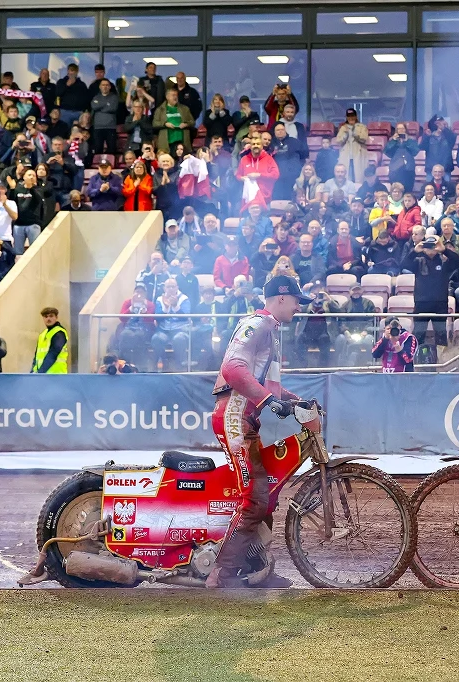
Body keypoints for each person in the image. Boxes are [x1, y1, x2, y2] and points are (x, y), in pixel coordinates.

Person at [206, 274, 306, 588]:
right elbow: (232, 368)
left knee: (267, 494)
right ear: (281, 297)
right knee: (254, 497)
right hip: (235, 417)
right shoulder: (257, 325)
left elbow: (266, 387)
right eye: (297, 301)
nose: (299, 307)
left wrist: (292, 400)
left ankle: (257, 570)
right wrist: (267, 400)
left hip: (243, 419)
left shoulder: (269, 329)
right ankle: (221, 573)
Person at [405, 234, 459, 358]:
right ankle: (415, 359)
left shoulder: (444, 261)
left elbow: (458, 262)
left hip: (440, 303)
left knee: (441, 335)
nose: (431, 248)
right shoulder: (418, 261)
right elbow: (403, 264)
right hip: (421, 303)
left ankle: (441, 360)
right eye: (428, 246)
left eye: (433, 246)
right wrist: (414, 251)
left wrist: (444, 250)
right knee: (418, 334)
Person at [151, 278, 193, 371]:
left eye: (173, 287)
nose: (170, 289)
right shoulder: (159, 299)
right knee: (156, 339)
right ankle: (165, 363)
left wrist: (175, 306)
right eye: (168, 287)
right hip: (164, 330)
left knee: (179, 339)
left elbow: (186, 317)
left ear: (177, 287)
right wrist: (165, 308)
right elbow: (157, 318)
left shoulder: (184, 299)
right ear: (164, 288)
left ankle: (180, 365)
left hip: (180, 329)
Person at [235, 133, 280, 212]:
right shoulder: (244, 159)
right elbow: (238, 175)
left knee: (265, 219)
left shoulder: (268, 159)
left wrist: (259, 175)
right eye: (253, 144)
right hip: (249, 200)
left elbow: (276, 175)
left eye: (258, 144)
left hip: (265, 199)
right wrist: (242, 178)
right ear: (250, 146)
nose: (256, 146)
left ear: (262, 146)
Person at [116, 284, 155, 371]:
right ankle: (124, 364)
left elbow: (151, 320)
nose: (139, 295)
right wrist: (131, 308)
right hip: (129, 328)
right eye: (137, 292)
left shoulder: (150, 304)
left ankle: (141, 366)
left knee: (139, 336)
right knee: (125, 335)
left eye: (141, 292)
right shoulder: (127, 303)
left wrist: (145, 312)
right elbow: (121, 318)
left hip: (143, 328)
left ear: (145, 294)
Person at [10, 168, 43, 255]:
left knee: (35, 251)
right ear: (24, 177)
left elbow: (38, 200)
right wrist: (12, 189)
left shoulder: (39, 189)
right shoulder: (18, 189)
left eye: (34, 175)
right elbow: (11, 202)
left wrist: (31, 188)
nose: (31, 177)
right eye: (29, 175)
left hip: (33, 224)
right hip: (18, 224)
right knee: (17, 252)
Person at [335, 108, 369, 183]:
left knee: (358, 176)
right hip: (346, 156)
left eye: (352, 116)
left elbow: (364, 138)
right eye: (349, 116)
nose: (351, 118)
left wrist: (355, 132)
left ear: (356, 116)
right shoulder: (343, 127)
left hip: (359, 155)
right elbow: (338, 141)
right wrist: (345, 134)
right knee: (347, 175)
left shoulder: (362, 127)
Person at [32, 306, 69, 374]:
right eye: (46, 316)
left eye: (51, 316)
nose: (48, 319)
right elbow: (36, 356)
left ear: (56, 317)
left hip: (56, 375)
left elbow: (52, 355)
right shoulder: (42, 334)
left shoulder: (59, 333)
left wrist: (40, 373)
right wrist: (32, 372)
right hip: (44, 375)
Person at [384, 123, 419, 192]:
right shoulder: (392, 140)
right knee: (396, 190)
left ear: (406, 130)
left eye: (402, 128)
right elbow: (387, 152)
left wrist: (407, 141)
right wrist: (393, 141)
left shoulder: (411, 140)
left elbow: (415, 151)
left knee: (408, 191)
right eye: (399, 129)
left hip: (408, 169)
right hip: (395, 170)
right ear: (396, 130)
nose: (401, 130)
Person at [89, 79, 119, 156]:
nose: (105, 87)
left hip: (110, 127)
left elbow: (113, 108)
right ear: (100, 87)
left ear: (109, 87)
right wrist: (106, 104)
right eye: (103, 85)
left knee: (112, 149)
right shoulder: (96, 97)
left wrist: (100, 108)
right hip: (98, 127)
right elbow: (94, 106)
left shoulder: (114, 97)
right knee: (98, 149)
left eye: (107, 85)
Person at [420, 115, 455, 180]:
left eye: (440, 123)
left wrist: (444, 129)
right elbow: (422, 147)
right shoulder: (428, 136)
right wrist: (427, 136)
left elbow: (453, 139)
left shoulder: (448, 136)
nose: (439, 125)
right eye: (437, 123)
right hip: (431, 169)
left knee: (446, 186)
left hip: (446, 169)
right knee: (429, 186)